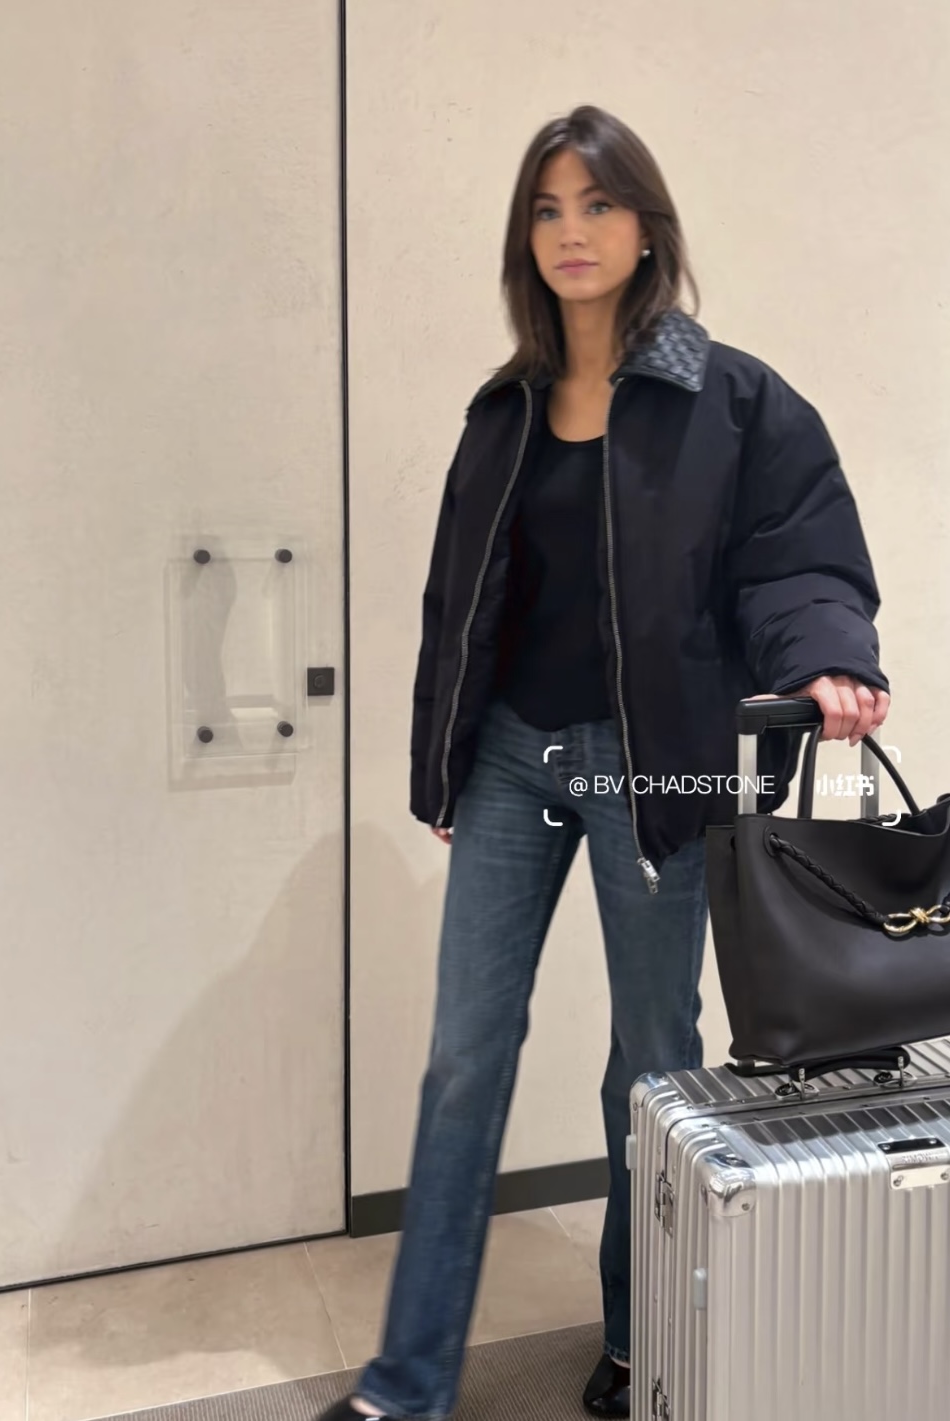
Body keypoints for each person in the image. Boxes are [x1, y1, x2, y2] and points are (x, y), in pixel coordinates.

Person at [317, 104, 891, 1421]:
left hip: (658, 771)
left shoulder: (731, 401)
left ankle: (640, 1340)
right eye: (546, 208)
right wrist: (447, 766)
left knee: (652, 1060)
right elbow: (460, 606)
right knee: (464, 1058)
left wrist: (826, 656)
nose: (570, 230)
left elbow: (797, 556)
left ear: (645, 226)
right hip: (513, 764)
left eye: (596, 203)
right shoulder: (504, 410)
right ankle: (407, 1383)